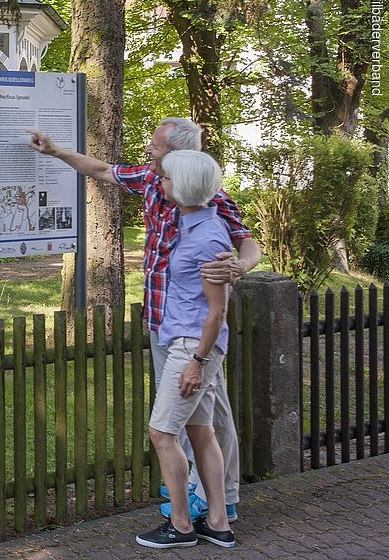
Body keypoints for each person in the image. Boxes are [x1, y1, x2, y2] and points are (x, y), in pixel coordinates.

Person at [27, 118, 261, 522]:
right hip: (159, 317)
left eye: (155, 147)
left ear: (179, 157)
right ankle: (195, 491)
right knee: (185, 412)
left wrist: (239, 267)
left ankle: (223, 497)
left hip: (195, 326)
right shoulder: (152, 181)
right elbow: (101, 169)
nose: (148, 151)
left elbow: (249, 244)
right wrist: (56, 151)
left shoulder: (211, 198)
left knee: (209, 412)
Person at [136, 150, 236, 548]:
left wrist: (197, 363)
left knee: (161, 433)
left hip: (191, 346)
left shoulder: (208, 238)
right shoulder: (192, 221)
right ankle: (218, 523)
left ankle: (180, 527)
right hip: (186, 340)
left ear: (183, 187)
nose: (161, 181)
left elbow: (217, 310)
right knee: (201, 430)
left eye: (167, 178)